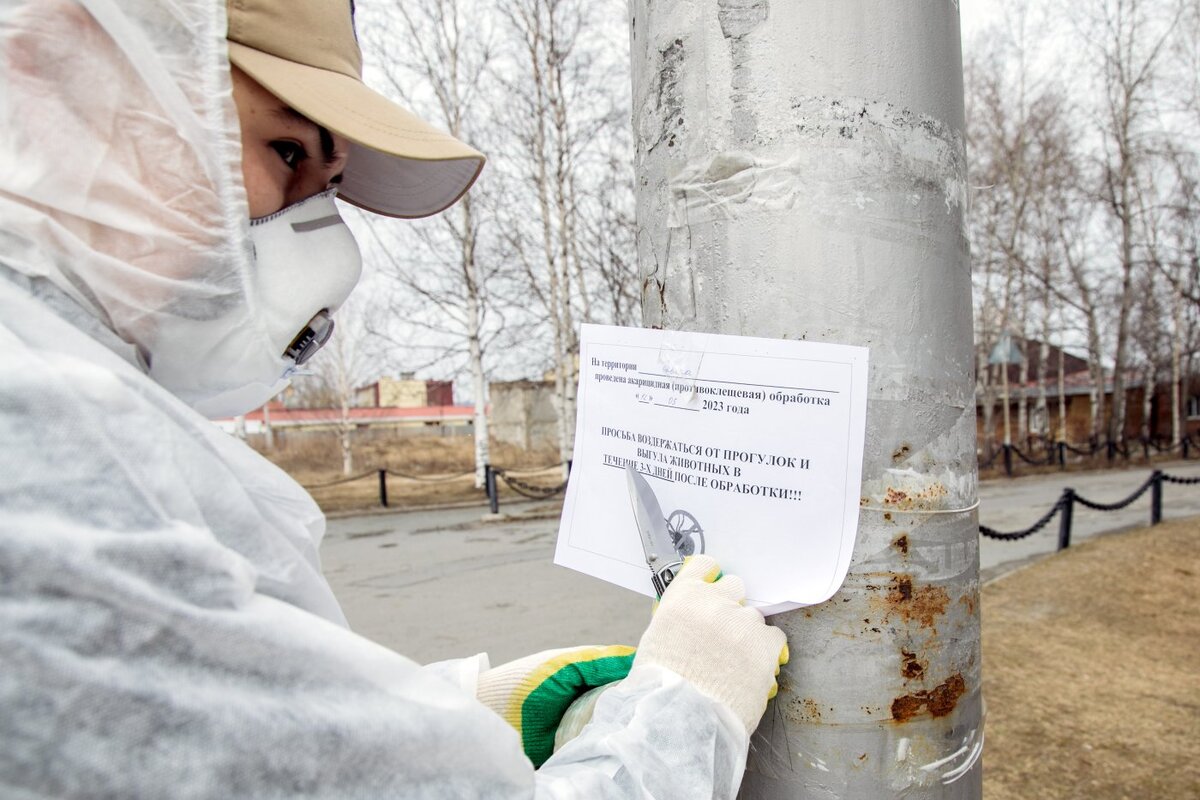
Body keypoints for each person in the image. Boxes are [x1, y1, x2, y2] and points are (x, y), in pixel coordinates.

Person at [0, 1, 788, 797]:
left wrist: (448, 715)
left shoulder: (72, 396)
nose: (325, 244)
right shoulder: (36, 439)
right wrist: (683, 710)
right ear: (54, 63)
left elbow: (180, 731)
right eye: (286, 150)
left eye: (329, 187)